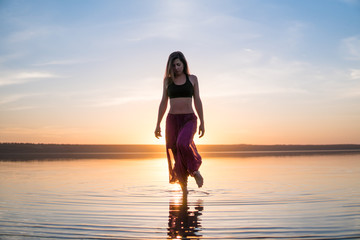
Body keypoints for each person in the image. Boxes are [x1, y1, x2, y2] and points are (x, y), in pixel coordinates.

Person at [155, 51, 204, 194]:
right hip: (172, 120)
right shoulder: (167, 81)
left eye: (179, 64)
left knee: (182, 143)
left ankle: (195, 171)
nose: (176, 68)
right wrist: (157, 124)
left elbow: (198, 100)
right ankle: (184, 189)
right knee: (175, 152)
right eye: (173, 65)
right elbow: (163, 102)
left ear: (184, 64)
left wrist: (202, 121)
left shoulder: (193, 79)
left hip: (189, 119)